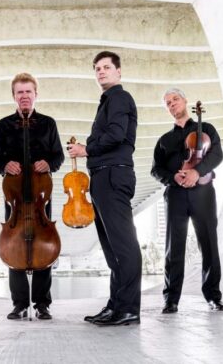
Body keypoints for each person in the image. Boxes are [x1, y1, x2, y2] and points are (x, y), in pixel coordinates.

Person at [68, 51, 142, 326]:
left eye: (106, 67)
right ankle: (116, 306)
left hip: (113, 175)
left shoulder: (120, 98)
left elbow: (116, 134)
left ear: (118, 72)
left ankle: (129, 309)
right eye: (97, 68)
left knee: (123, 246)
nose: (101, 71)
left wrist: (86, 149)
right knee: (112, 250)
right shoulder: (109, 101)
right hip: (104, 176)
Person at [0, 73, 64, 320]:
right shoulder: (3, 125)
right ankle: (19, 304)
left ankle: (42, 304)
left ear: (35, 94)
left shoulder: (48, 123)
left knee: (44, 244)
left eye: (28, 91)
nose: (24, 96)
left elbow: (59, 157)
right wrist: (5, 165)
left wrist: (48, 163)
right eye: (19, 92)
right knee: (14, 246)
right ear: (14, 96)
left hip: (41, 196)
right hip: (15, 197)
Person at [150, 88, 223, 313]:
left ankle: (213, 297)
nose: (172, 104)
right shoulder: (164, 140)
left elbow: (216, 155)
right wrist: (172, 177)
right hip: (175, 194)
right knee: (173, 248)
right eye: (168, 103)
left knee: (209, 244)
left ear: (185, 101)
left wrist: (197, 171)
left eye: (175, 99)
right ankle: (171, 300)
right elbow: (156, 170)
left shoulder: (207, 129)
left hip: (203, 192)